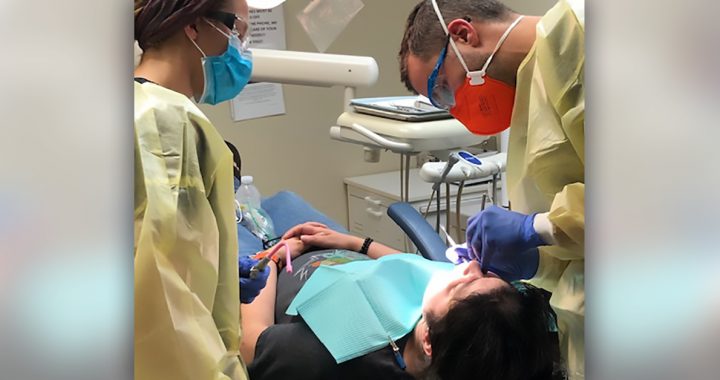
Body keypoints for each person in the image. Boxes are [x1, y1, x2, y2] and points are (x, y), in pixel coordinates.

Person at [399, 0, 584, 378]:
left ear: (464, 34)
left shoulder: (581, 37)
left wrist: (539, 229)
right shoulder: (530, 92)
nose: (453, 108)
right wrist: (538, 259)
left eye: (444, 90)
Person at [240, 223, 563, 380]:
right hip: (333, 249)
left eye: (464, 284)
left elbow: (250, 343)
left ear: (427, 342)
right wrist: (356, 242)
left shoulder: (318, 356)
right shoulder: (468, 335)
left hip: (278, 267)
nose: (470, 266)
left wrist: (269, 261)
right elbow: (416, 271)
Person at [134, 0, 261, 378]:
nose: (242, 49)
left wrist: (213, 268)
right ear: (194, 27)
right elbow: (160, 286)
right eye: (238, 32)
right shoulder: (165, 123)